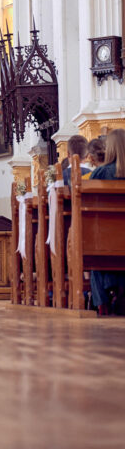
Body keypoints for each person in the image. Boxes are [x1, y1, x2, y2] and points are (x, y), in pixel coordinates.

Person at [89, 129, 125, 314]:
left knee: (96, 258)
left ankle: (102, 303)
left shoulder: (101, 173)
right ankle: (120, 292)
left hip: (105, 240)